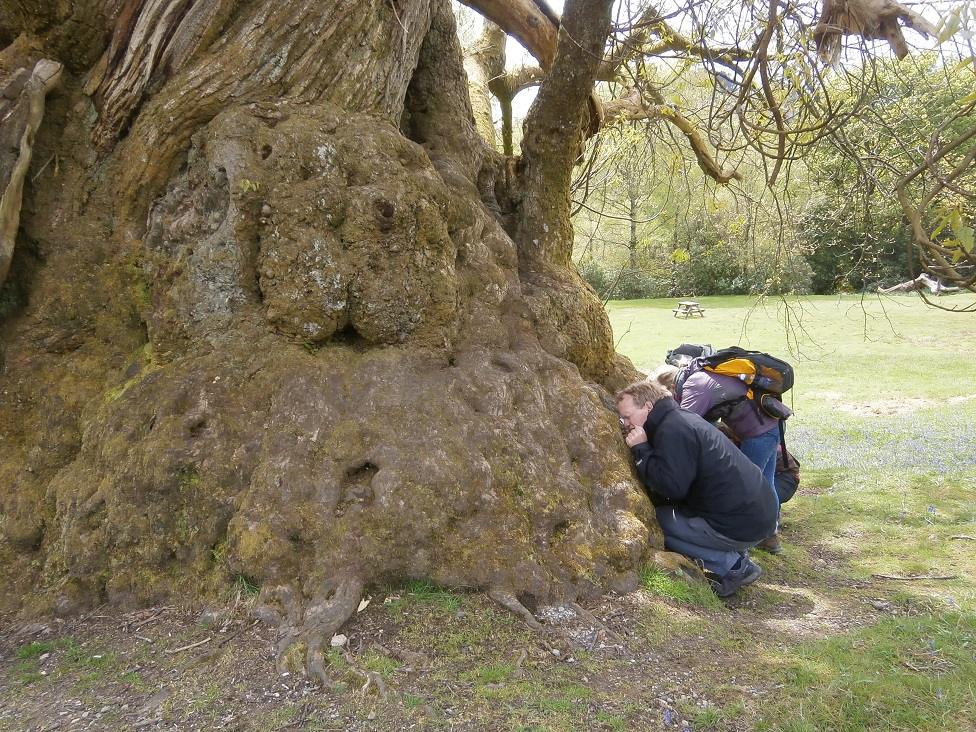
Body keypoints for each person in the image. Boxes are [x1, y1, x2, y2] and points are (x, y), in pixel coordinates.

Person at [616, 380, 778, 597]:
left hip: (745, 523)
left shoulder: (673, 430)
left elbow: (671, 488)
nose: (624, 423)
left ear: (647, 406)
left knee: (659, 521)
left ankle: (734, 567)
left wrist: (642, 450)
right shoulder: (682, 418)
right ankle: (736, 553)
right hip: (759, 515)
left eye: (627, 416)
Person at [649, 362, 784, 553]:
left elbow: (682, 423)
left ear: (670, 387)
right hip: (771, 426)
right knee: (765, 483)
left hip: (758, 433)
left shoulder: (694, 386)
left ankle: (742, 545)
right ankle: (770, 536)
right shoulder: (703, 376)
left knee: (747, 487)